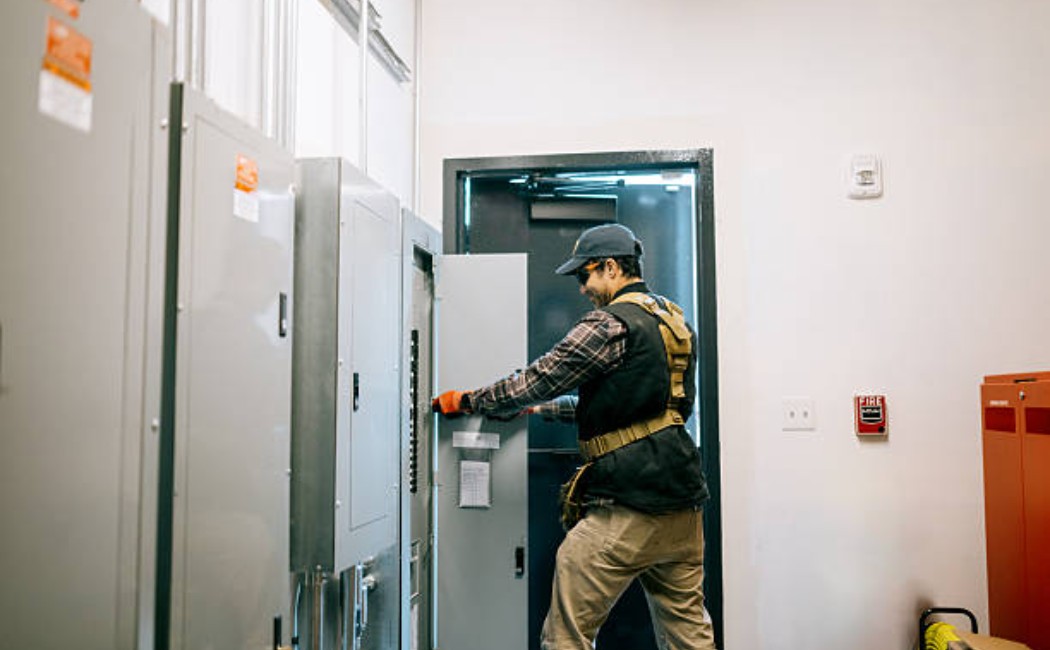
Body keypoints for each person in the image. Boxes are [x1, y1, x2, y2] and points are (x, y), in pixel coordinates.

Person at [432, 223, 717, 650]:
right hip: (683, 508)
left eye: (585, 275)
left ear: (610, 267)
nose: (582, 288)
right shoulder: (673, 321)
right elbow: (645, 408)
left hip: (629, 507)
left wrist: (472, 400)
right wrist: (540, 411)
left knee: (567, 637)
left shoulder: (608, 323)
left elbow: (537, 378)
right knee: (689, 638)